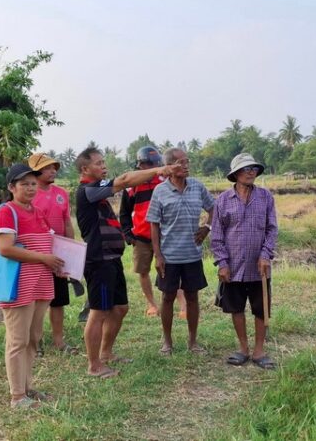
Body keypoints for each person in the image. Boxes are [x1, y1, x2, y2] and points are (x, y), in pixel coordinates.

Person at [75, 147, 180, 378]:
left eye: (104, 162)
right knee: (99, 311)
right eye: (99, 163)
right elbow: (123, 180)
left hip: (112, 259)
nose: (104, 166)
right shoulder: (87, 190)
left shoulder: (98, 193)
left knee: (120, 307)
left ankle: (106, 353)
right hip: (98, 260)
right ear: (85, 169)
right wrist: (160, 169)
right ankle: (94, 366)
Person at [0, 164, 65, 409]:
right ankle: (16, 397)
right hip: (18, 286)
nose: (31, 188)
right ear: (12, 187)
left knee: (33, 339)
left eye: (34, 183)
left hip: (41, 284)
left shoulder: (37, 212)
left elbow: (49, 244)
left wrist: (60, 263)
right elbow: (5, 249)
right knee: (17, 340)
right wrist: (44, 259)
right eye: (24, 184)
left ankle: (27, 387)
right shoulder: (7, 211)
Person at [210, 153, 278, 369]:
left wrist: (266, 254)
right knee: (236, 308)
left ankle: (259, 351)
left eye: (253, 168)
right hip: (233, 266)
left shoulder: (265, 197)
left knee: (261, 309)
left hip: (259, 266)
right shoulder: (222, 201)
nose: (251, 171)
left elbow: (272, 229)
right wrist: (222, 263)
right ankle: (243, 349)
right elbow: (217, 236)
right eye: (246, 168)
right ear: (235, 174)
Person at [146, 147, 215, 355]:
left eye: (187, 162)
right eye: (181, 162)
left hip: (192, 255)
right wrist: (158, 256)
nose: (186, 166)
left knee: (192, 297)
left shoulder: (197, 187)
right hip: (169, 256)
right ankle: (167, 342)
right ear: (170, 166)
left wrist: (207, 228)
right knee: (167, 297)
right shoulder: (160, 191)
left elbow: (213, 208)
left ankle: (193, 342)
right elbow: (154, 225)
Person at [28, 153, 78, 355]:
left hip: (59, 253)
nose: (53, 171)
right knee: (38, 300)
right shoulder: (30, 194)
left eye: (54, 167)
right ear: (36, 172)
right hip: (38, 253)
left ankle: (59, 341)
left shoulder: (61, 193)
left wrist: (71, 249)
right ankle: (35, 343)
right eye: (48, 168)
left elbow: (67, 222)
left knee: (58, 300)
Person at [119, 146, 165, 317]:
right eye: (147, 164)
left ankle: (182, 305)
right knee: (143, 271)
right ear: (140, 165)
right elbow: (124, 213)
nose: (151, 167)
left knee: (170, 269)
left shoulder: (163, 182)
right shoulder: (131, 186)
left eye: (153, 164)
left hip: (164, 236)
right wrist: (128, 235)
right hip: (141, 236)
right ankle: (152, 304)